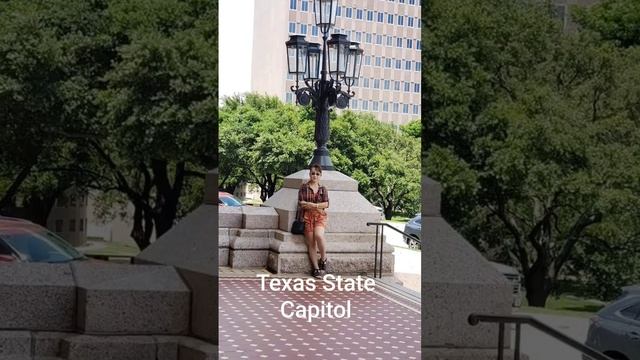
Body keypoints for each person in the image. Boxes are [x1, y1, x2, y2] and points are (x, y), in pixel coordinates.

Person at [298, 164, 330, 278]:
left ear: (320, 175)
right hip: (307, 217)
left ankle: (323, 258)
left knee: (319, 235)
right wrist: (318, 206)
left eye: (317, 174)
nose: (315, 176)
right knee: (311, 244)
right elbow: (302, 204)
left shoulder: (323, 189)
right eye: (313, 173)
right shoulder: (303, 187)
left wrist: (312, 205)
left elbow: (326, 204)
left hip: (320, 217)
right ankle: (316, 269)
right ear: (309, 174)